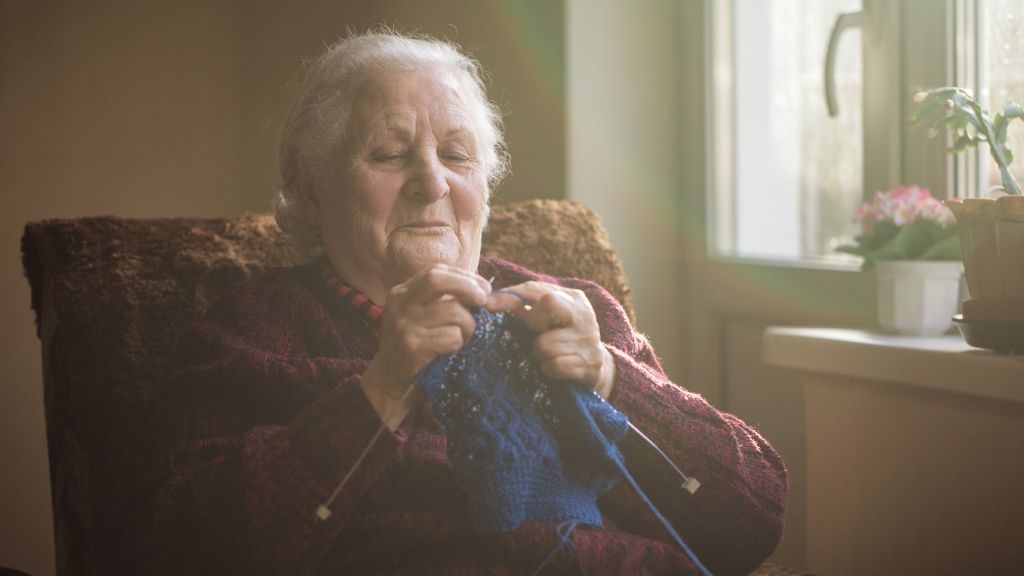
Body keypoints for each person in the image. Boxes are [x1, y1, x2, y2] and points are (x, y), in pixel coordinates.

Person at [109, 30, 786, 576]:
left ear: (484, 186)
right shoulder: (253, 329)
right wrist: (376, 393)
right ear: (312, 188)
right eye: (389, 153)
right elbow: (165, 544)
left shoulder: (576, 315)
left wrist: (615, 380)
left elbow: (750, 521)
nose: (431, 183)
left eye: (457, 156)